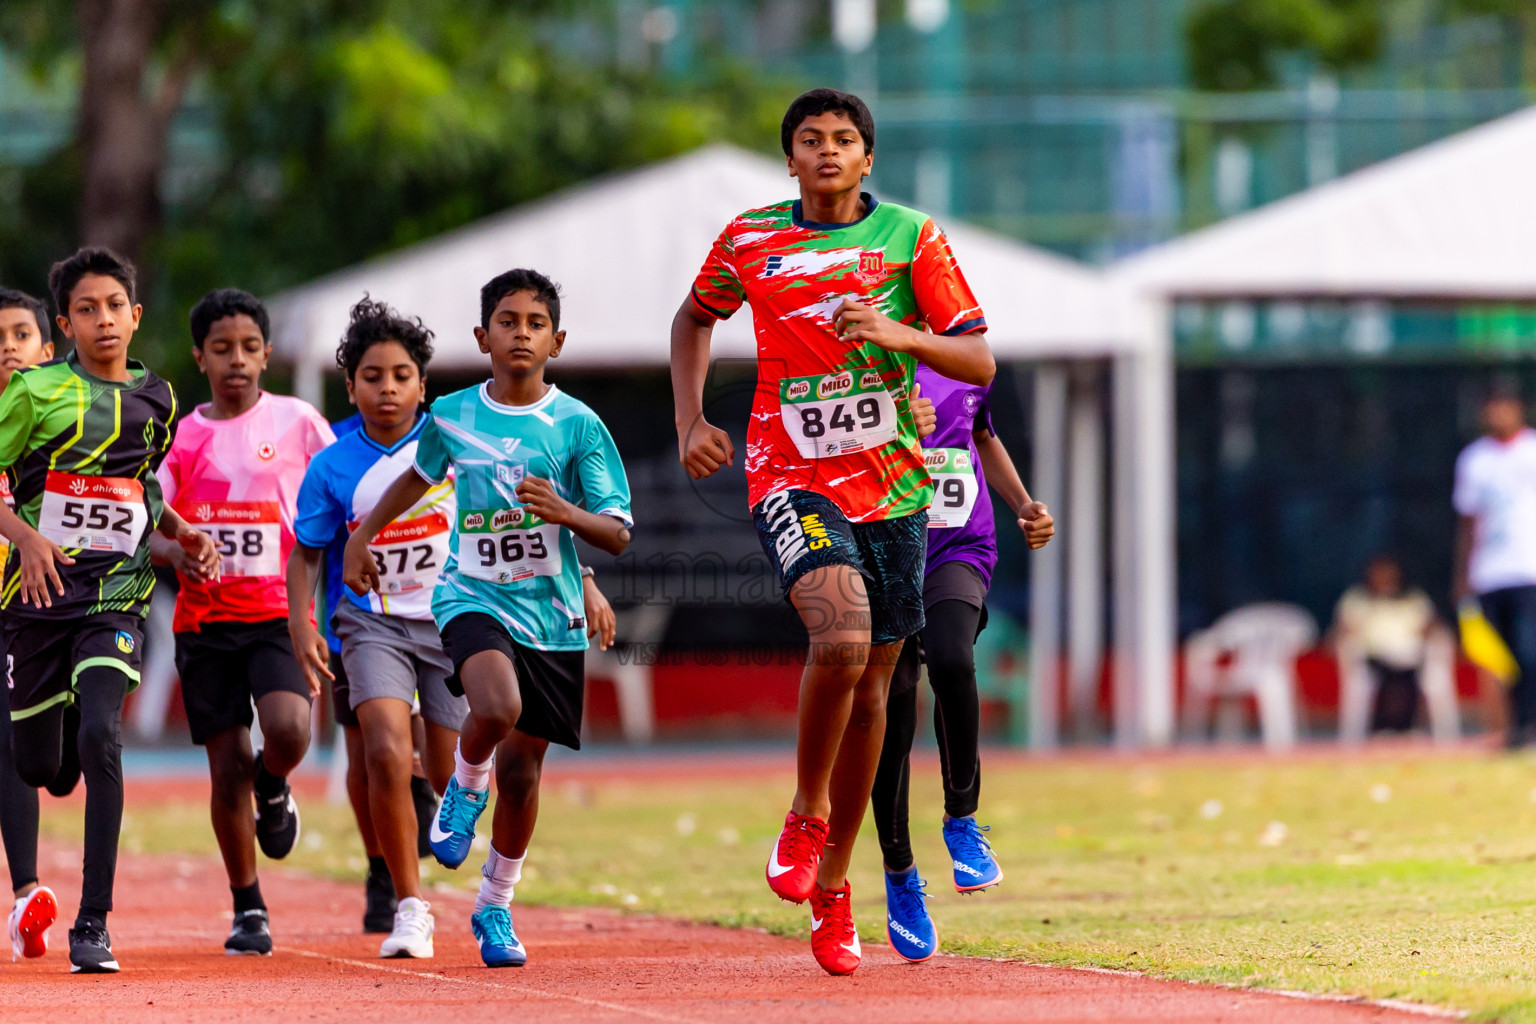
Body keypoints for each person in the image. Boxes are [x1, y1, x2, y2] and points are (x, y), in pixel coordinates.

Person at [670, 87, 996, 975]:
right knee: (842, 634)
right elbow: (695, 317)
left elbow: (977, 356)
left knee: (876, 693)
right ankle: (806, 812)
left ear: (867, 158)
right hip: (789, 471)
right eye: (809, 140)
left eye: (842, 140)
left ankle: (836, 885)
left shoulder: (912, 240)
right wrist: (691, 418)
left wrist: (897, 332)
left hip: (893, 485)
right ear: (788, 160)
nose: (826, 152)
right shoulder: (748, 239)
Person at [343, 269, 632, 969]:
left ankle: (495, 905)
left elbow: (617, 529)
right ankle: (464, 789)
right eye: (508, 321)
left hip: (553, 613)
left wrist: (565, 513)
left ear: (556, 341)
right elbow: (419, 474)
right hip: (471, 594)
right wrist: (362, 535)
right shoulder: (449, 413)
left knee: (527, 775)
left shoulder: (578, 426)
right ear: (483, 337)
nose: (521, 333)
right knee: (495, 706)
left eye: (536, 323)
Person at [0, 247, 218, 973]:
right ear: (63, 323)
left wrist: (183, 532)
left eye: (114, 307)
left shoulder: (157, 399)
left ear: (136, 315)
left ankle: (92, 924)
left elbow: (143, 489)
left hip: (114, 593)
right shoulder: (33, 392)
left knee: (102, 736)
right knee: (40, 766)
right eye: (86, 310)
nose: (103, 321)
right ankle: (54, 720)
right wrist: (25, 536)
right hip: (35, 598)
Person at [151, 288, 333, 955]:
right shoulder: (183, 438)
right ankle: (247, 905)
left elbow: (340, 498)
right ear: (199, 356)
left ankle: (276, 785)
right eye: (222, 349)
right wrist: (179, 553)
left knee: (287, 731)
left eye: (249, 348)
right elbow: (149, 528)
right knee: (225, 766)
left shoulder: (300, 423)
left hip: (280, 616)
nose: (236, 361)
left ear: (267, 355)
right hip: (206, 625)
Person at [288, 298, 465, 959]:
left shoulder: (453, 444)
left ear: (423, 384)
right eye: (371, 376)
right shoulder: (333, 462)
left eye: (400, 376)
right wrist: (301, 624)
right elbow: (307, 552)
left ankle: (465, 827)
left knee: (449, 770)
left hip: (450, 620)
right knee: (383, 752)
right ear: (351, 385)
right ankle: (406, 904)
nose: (386, 389)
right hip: (369, 623)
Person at [869, 367, 1053, 962]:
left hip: (958, 544)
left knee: (951, 656)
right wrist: (893, 427)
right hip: (880, 546)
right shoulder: (854, 354)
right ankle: (900, 875)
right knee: (892, 714)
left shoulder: (965, 356)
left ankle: (962, 821)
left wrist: (1023, 504)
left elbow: (981, 433)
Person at [0, 287, 57, 962]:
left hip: (44, 613)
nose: (7, 348)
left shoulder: (68, 428)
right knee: (8, 747)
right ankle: (27, 897)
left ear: (47, 351)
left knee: (41, 756)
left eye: (19, 334)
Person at [1454, 385, 1536, 748]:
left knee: (1530, 649)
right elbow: (1469, 521)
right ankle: (1514, 729)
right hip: (1491, 573)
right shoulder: (1475, 459)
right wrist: (1464, 573)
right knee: (1502, 659)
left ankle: (1527, 723)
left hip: (1530, 569)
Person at [1334, 555, 1437, 733]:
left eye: (1388, 572)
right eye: (1379, 572)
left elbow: (1430, 627)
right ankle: (1380, 727)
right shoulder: (1357, 599)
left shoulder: (1413, 598)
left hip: (1408, 659)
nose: (1384, 577)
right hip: (1371, 658)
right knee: (1386, 675)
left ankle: (1406, 727)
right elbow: (1343, 630)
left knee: (1407, 673)